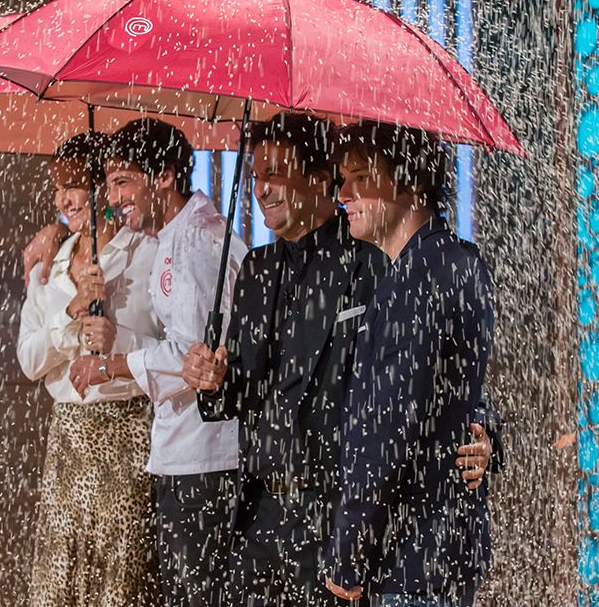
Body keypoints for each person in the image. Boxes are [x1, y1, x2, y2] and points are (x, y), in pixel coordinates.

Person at [182, 113, 500, 607]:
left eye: (276, 172)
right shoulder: (257, 268)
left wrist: (483, 433)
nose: (262, 187)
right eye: (256, 174)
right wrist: (212, 381)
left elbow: (428, 385)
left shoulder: (380, 256)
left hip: (341, 514)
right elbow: (244, 389)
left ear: (316, 177)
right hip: (263, 508)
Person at [36, 118, 247, 606]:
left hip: (202, 452)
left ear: (166, 177)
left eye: (123, 181)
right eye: (107, 184)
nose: (111, 197)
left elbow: (192, 356)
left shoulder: (193, 243)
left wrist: (109, 365)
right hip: (182, 448)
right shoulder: (181, 234)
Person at [324, 123, 495, 606]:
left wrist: (349, 550)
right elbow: (464, 385)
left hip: (408, 554)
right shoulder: (460, 260)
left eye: (359, 177)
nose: (343, 194)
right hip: (446, 546)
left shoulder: (412, 280)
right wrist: (485, 429)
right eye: (342, 178)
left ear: (408, 179)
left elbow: (387, 430)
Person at [17, 132, 162, 607]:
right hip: (69, 436)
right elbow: (30, 360)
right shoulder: (47, 263)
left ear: (103, 187)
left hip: (127, 432)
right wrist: (71, 312)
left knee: (119, 577)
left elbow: (169, 345)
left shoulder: (144, 252)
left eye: (76, 185)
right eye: (59, 188)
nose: (65, 199)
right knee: (62, 577)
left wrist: (114, 341)